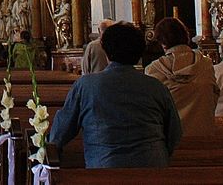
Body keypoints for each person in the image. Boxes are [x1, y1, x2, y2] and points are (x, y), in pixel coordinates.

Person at [48, 23, 182, 168]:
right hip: (153, 171)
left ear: (106, 51)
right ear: (139, 53)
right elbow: (174, 133)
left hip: (104, 169)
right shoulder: (157, 87)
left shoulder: (86, 86)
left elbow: (59, 134)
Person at [145, 17, 219, 136]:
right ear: (186, 36)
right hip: (203, 137)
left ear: (162, 42)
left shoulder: (154, 70)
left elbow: (151, 111)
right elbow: (214, 98)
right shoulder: (206, 65)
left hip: (171, 141)